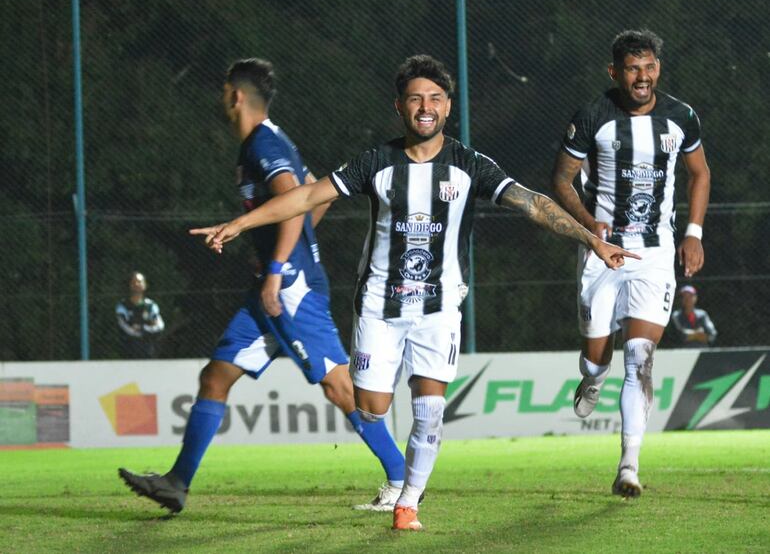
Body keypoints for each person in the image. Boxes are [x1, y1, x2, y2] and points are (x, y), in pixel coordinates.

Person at [190, 55, 637, 530]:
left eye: (436, 99)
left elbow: (532, 203)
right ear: (400, 107)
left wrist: (592, 238)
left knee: (429, 410)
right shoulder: (375, 162)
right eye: (416, 98)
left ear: (448, 108)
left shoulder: (468, 164)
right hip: (380, 309)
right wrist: (240, 222)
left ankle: (408, 504)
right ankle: (397, 476)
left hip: (439, 308)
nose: (426, 107)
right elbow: (305, 196)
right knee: (370, 407)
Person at [118, 58, 406, 514]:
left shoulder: (262, 144)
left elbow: (294, 199)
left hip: (287, 289)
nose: (221, 100)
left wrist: (279, 266)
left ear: (235, 96)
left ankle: (403, 479)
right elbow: (314, 190)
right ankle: (176, 484)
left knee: (338, 386)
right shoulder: (273, 140)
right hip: (270, 288)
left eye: (223, 92)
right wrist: (290, 250)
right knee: (216, 375)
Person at [551, 29, 711, 497]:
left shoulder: (681, 117)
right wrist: (587, 225)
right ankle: (591, 379)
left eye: (649, 67)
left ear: (658, 68)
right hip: (603, 252)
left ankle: (628, 465)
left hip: (656, 253)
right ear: (615, 72)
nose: (642, 77)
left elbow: (699, 173)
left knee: (639, 359)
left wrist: (693, 234)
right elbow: (561, 178)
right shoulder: (593, 117)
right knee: (597, 358)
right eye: (632, 68)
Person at [115, 271, 165, 358]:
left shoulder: (151, 305)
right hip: (128, 352)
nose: (137, 284)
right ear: (130, 285)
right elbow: (125, 328)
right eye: (134, 281)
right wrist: (146, 329)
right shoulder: (122, 306)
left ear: (145, 285)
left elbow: (159, 326)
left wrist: (142, 328)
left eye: (140, 281)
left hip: (149, 351)